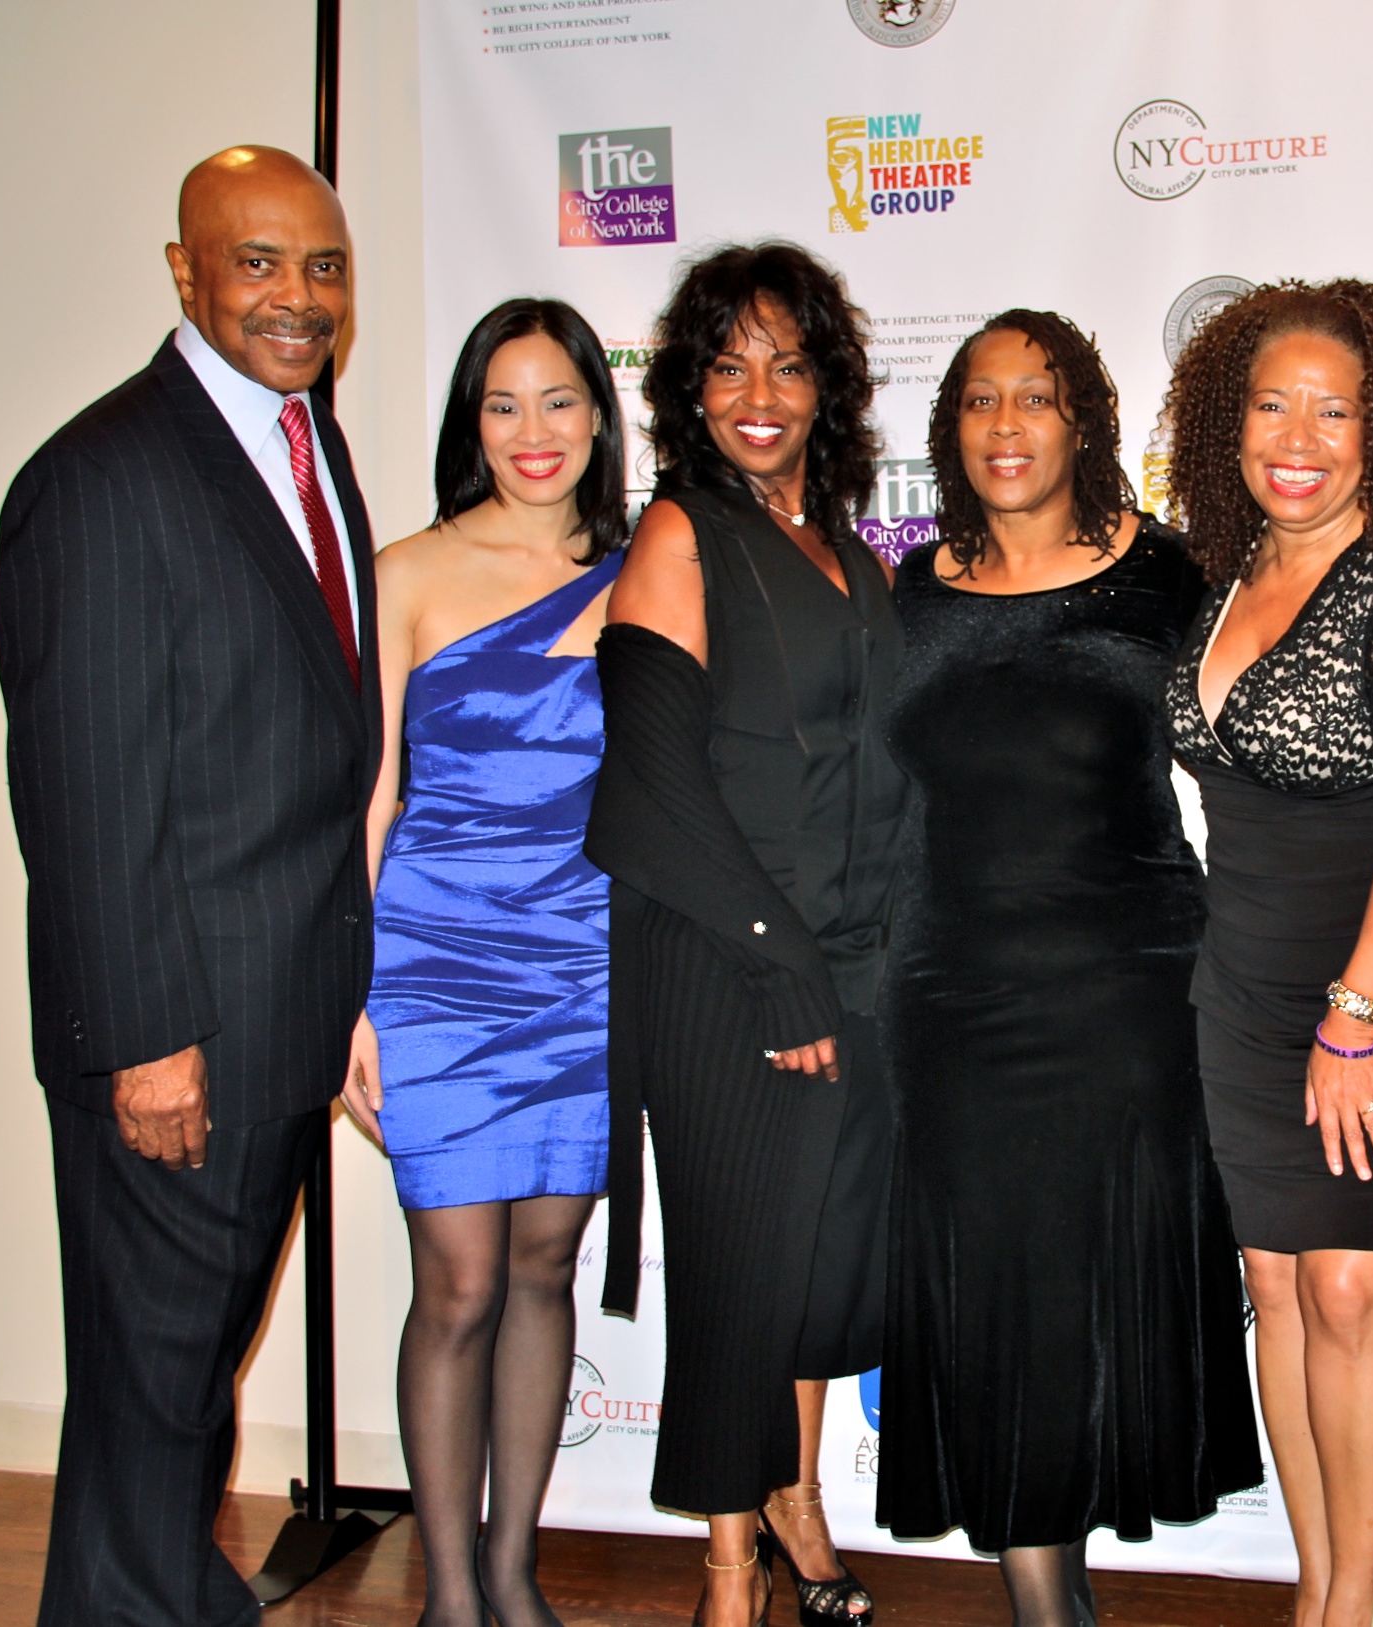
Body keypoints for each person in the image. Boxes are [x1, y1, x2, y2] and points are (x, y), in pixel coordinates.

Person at [0, 146, 380, 1627]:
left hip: (274, 1017)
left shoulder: (303, 444)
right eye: (260, 261)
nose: (297, 296)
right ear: (185, 272)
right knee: (154, 1380)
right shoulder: (100, 478)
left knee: (177, 1382)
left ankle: (149, 1597)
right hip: (178, 1045)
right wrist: (148, 1043)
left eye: (325, 266)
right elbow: (86, 798)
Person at [874, 311, 1264, 1627]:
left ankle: (1064, 1590)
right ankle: (1048, 1602)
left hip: (1128, 994)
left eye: (1033, 398)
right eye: (979, 401)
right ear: (950, 428)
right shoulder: (905, 594)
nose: (1004, 426)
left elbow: (1267, 765)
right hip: (950, 1000)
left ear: (1083, 421)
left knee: (1089, 1303)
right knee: (994, 1300)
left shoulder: (1167, 579)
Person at [1161, 280, 1373, 1627]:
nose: (1297, 435)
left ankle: (1362, 1603)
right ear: (1228, 422)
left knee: (1353, 1287)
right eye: (1271, 404)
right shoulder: (1223, 572)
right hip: (1244, 975)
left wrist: (1356, 1017)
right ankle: (1320, 1591)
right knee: (1278, 1287)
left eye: (1334, 410)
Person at [586, 242, 900, 1627]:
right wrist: (780, 971)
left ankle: (802, 1505)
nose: (759, 392)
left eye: (788, 362)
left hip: (843, 960)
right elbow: (656, 786)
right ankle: (730, 1577)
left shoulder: (840, 552)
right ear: (690, 390)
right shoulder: (680, 534)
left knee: (816, 1266)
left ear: (828, 384)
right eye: (728, 365)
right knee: (738, 1276)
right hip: (728, 965)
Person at [340, 298, 625, 1627]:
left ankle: (514, 1568)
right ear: (471, 419)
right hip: (436, 961)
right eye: (502, 404)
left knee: (545, 1270)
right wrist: (352, 995)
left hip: (585, 961)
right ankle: (450, 1591)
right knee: (455, 1279)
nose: (531, 432)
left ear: (597, 413)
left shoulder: (647, 569)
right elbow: (373, 799)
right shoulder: (404, 571)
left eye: (557, 400)